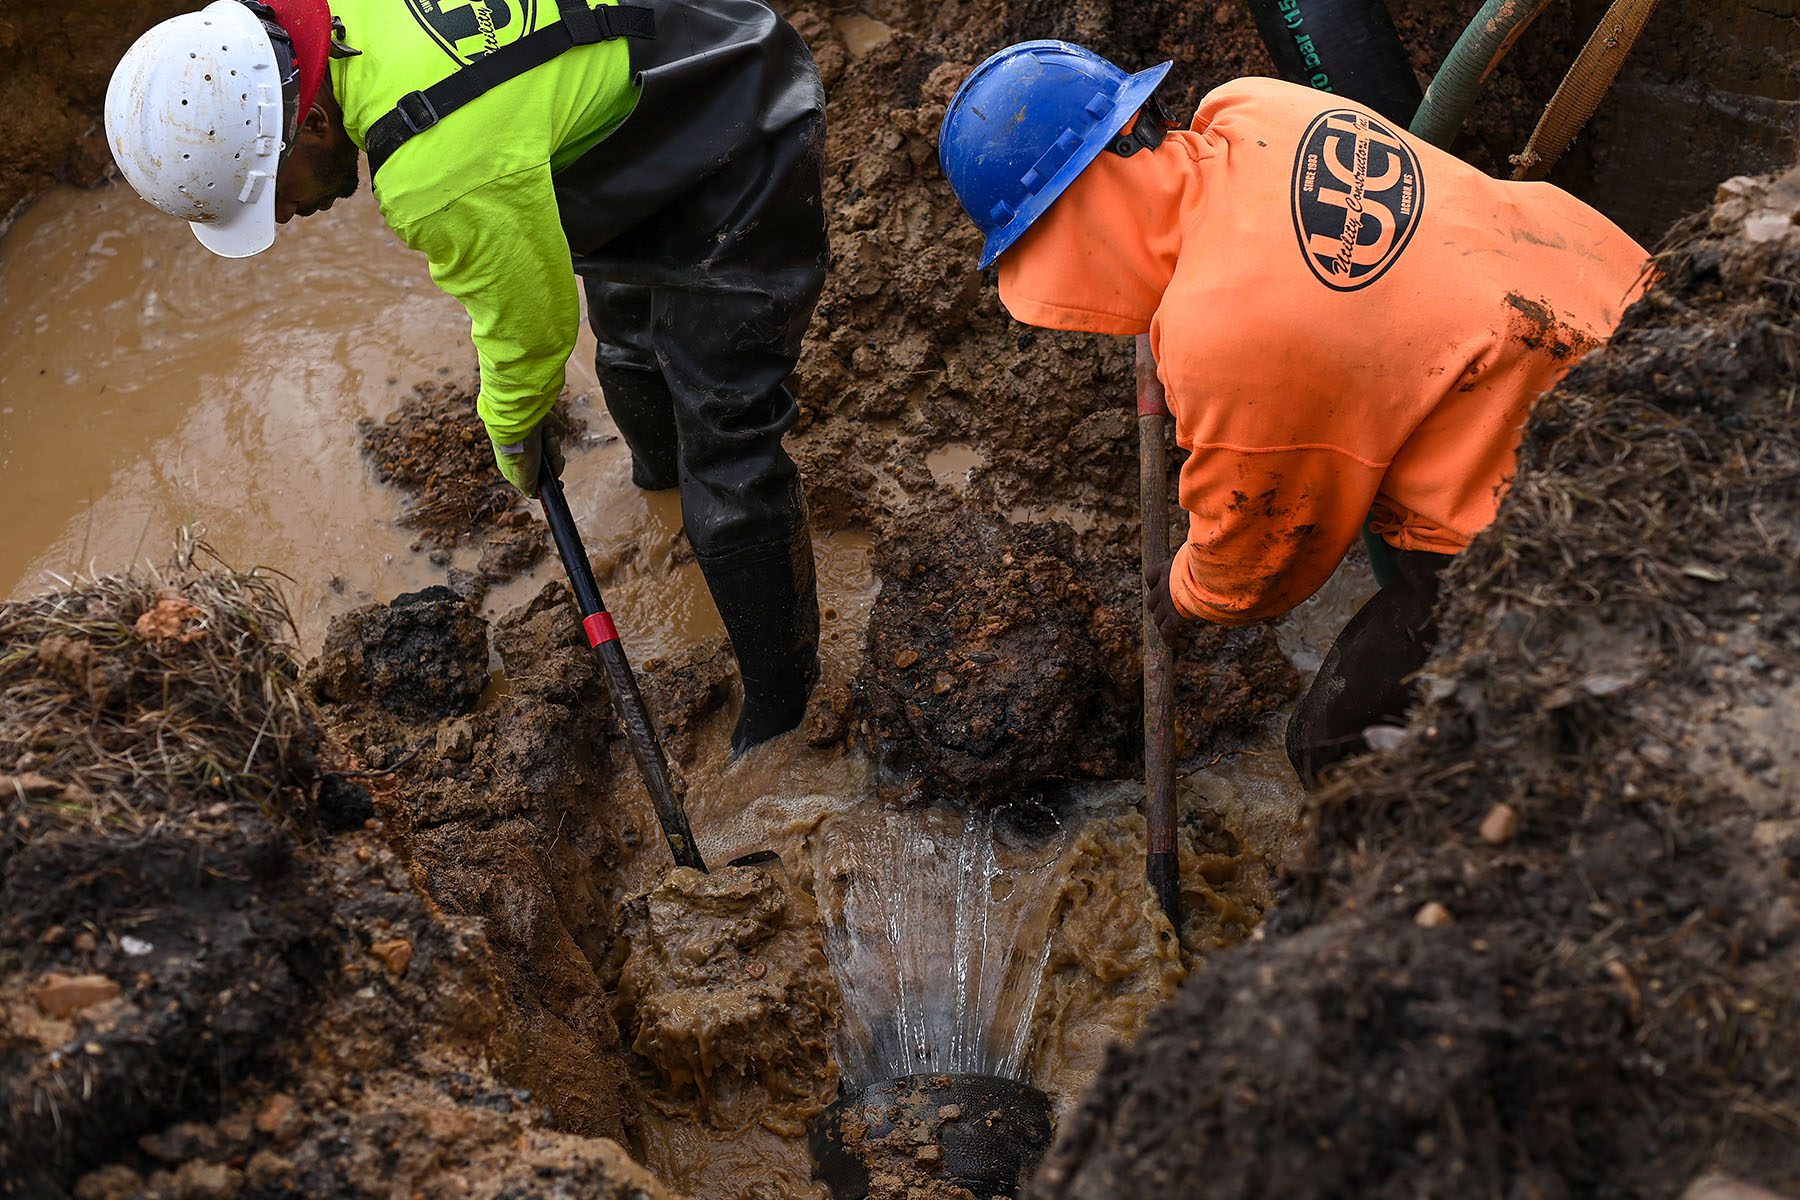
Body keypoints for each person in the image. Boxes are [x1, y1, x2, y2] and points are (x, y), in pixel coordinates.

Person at [105, 0, 828, 755]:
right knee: (632, 343)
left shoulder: (432, 171)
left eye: (270, 192)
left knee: (729, 449)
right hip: (644, 83)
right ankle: (659, 488)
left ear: (313, 123)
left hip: (747, 116)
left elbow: (533, 331)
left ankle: (784, 709)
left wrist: (511, 429)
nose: (281, 216)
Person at [938, 41, 1649, 786]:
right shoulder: (1258, 108)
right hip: (1624, 312)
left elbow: (1268, 545)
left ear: (1070, 227)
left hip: (1558, 506)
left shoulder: (1224, 334)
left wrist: (1189, 593)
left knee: (1334, 750)